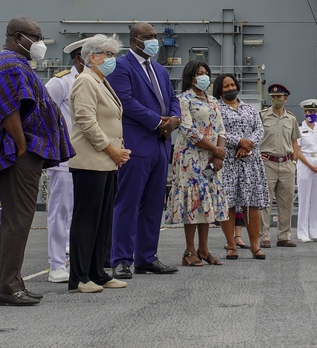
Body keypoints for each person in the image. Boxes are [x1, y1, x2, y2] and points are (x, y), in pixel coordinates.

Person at [0, 16, 75, 306]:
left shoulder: (13, 63)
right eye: (35, 37)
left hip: (24, 153)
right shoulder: (9, 64)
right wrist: (22, 146)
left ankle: (13, 281)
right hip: (20, 155)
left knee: (19, 220)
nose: (40, 43)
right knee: (17, 220)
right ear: (16, 36)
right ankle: (8, 286)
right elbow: (9, 110)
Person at [106, 23, 180, 278]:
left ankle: (147, 257)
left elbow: (173, 99)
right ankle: (122, 259)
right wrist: (159, 122)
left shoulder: (160, 70)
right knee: (128, 202)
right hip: (137, 144)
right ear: (134, 40)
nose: (154, 41)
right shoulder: (121, 67)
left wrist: (175, 119)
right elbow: (125, 102)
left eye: (155, 36)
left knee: (153, 204)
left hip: (160, 144)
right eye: (148, 37)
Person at [67, 34, 130, 293]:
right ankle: (80, 277)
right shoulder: (85, 81)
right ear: (92, 57)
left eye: (113, 54)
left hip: (106, 161)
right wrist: (111, 149)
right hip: (91, 160)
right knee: (86, 220)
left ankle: (98, 272)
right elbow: (86, 120)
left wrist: (118, 150)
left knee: (103, 220)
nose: (112, 60)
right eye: (107, 54)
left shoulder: (101, 81)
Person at [165, 62, 228, 266]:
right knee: (192, 200)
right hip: (190, 157)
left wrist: (219, 154)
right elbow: (188, 130)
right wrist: (215, 149)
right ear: (191, 77)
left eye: (206, 73)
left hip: (210, 158)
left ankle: (204, 249)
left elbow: (221, 129)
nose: (204, 76)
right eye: (200, 73)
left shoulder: (213, 102)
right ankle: (189, 251)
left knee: (206, 198)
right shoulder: (183, 99)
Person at [43, 38, 89, 283]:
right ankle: (57, 264)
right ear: (81, 57)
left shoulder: (97, 83)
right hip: (65, 158)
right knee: (60, 211)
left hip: (90, 158)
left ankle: (81, 262)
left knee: (84, 212)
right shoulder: (61, 82)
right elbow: (42, 113)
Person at [214, 74, 269, 260]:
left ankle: (255, 245)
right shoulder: (217, 108)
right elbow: (217, 131)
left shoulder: (249, 109)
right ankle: (231, 245)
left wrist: (248, 145)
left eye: (232, 85)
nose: (230, 88)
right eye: (226, 86)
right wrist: (238, 142)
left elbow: (259, 129)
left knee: (251, 203)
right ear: (220, 90)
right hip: (228, 161)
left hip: (251, 161)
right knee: (228, 204)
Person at [259, 83, 300, 249]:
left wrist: (294, 161)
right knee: (265, 203)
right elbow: (253, 137)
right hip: (267, 162)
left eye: (279, 96)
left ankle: (284, 236)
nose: (276, 99)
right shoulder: (261, 116)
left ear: (285, 98)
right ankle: (264, 237)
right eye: (273, 97)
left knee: (286, 202)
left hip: (286, 163)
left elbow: (295, 141)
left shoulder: (291, 118)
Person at [294, 99, 317, 243]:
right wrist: (310, 166)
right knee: (304, 199)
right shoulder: (299, 129)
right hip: (305, 163)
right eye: (308, 111)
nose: (311, 114)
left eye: (313, 112)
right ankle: (303, 232)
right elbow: (297, 151)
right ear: (304, 113)